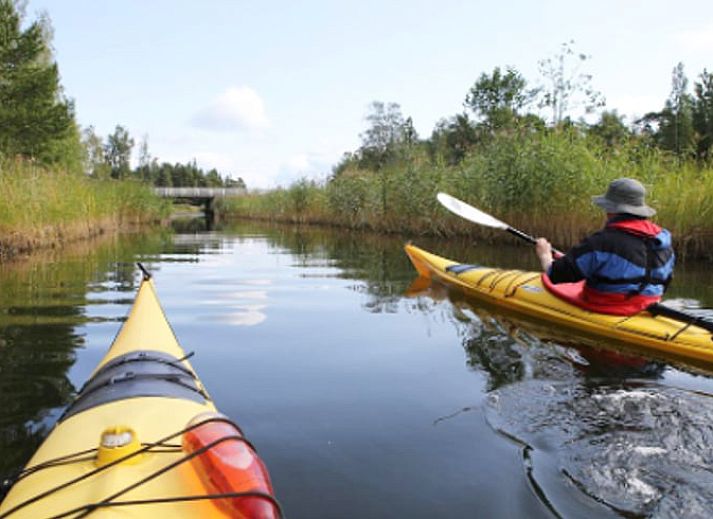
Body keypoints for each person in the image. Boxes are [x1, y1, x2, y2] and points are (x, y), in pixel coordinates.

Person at [535, 178, 675, 315]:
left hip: (608, 306)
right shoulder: (663, 241)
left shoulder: (601, 242)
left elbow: (556, 275)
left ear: (610, 210)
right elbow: (665, 281)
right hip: (648, 305)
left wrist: (545, 255)